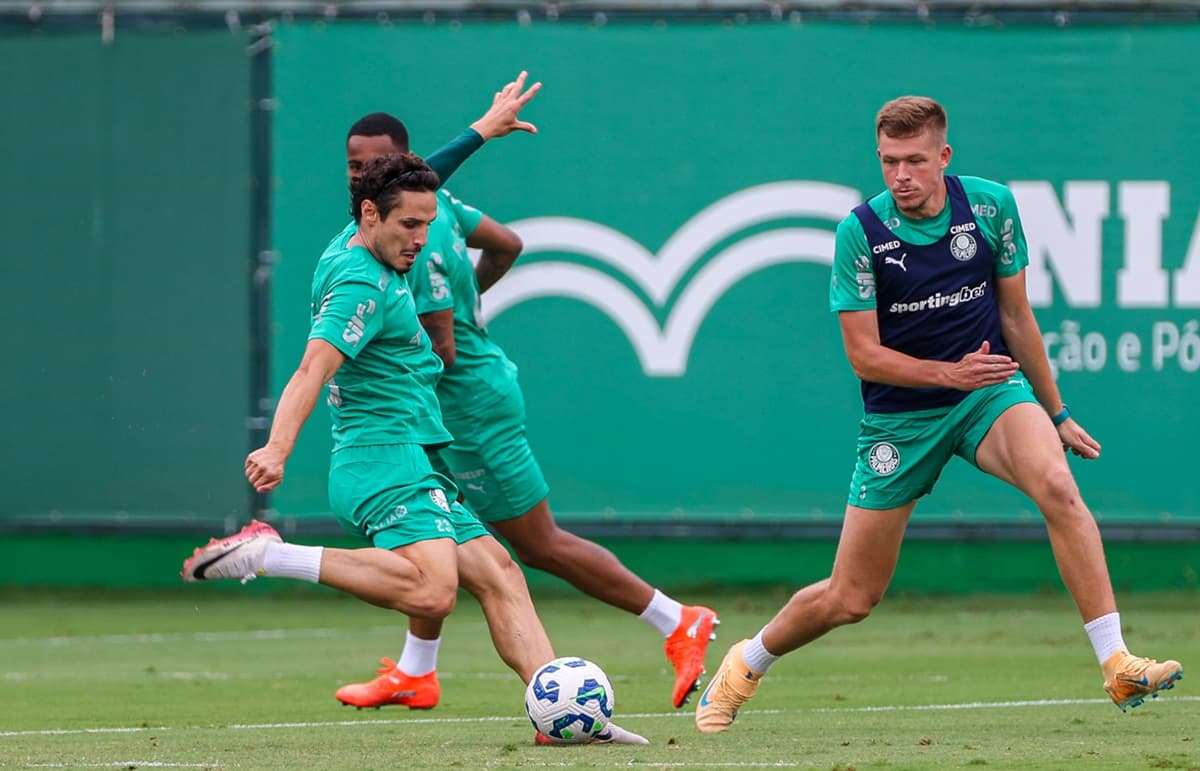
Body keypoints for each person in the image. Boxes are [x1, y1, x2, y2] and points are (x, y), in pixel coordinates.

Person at [694, 95, 1183, 733]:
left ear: (944, 156)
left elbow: (1016, 316)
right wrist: (947, 374)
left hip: (987, 394)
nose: (901, 175)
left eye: (916, 161)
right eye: (889, 161)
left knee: (1059, 487)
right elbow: (864, 356)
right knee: (851, 598)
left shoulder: (990, 206)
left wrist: (1056, 411)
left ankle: (1116, 662)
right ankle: (746, 662)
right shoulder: (860, 233)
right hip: (900, 422)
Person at [182, 153, 646, 745]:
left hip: (412, 457)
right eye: (410, 225)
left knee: (501, 573)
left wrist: (483, 132)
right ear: (370, 215)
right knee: (432, 591)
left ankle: (558, 717)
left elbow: (408, 179)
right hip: (383, 459)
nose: (422, 239)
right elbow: (311, 369)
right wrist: (276, 448)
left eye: (428, 224)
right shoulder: (360, 285)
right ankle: (272, 555)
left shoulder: (361, 236)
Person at [330, 113, 719, 714]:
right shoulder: (434, 204)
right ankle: (416, 670)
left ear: (400, 162)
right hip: (451, 404)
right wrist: (481, 132)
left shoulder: (408, 239)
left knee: (537, 545)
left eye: (372, 165)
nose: (361, 176)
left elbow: (441, 348)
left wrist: (382, 352)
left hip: (466, 407)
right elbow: (506, 244)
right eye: (354, 166)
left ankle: (677, 619)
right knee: (433, 529)